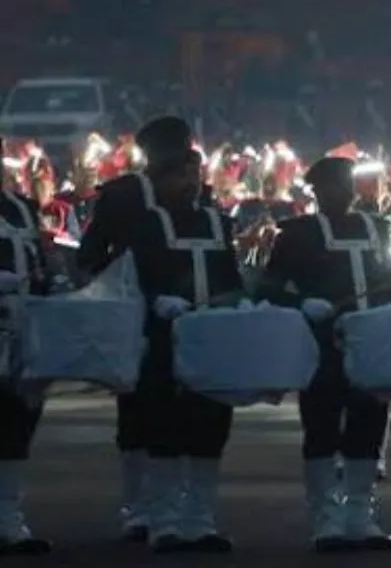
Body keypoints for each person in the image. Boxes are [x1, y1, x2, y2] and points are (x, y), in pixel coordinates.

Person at [258, 157, 391, 553]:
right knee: (322, 425)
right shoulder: (297, 233)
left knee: (369, 425)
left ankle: (361, 516)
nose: (337, 194)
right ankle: (325, 517)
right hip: (321, 342)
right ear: (315, 191)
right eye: (328, 187)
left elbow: (388, 279)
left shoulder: (377, 228)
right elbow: (268, 286)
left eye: (343, 186)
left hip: (372, 338)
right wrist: (303, 302)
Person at [76, 116, 195, 542]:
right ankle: (137, 505)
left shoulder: (193, 193)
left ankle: (167, 501)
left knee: (181, 406)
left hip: (186, 309)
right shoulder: (123, 195)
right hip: (135, 311)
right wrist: (116, 293)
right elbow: (91, 254)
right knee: (137, 405)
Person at [127, 143, 245, 553]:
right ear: (159, 180)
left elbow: (229, 275)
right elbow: (129, 276)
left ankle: (200, 520)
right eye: (179, 176)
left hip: (212, 335)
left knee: (211, 428)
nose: (189, 184)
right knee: (164, 427)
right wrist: (155, 299)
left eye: (193, 176)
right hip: (163, 337)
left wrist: (238, 303)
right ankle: (163, 521)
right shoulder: (145, 224)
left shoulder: (217, 222)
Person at [0, 187, 54, 555]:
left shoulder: (20, 206)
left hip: (23, 327)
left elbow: (37, 259)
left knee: (17, 424)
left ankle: (8, 520)